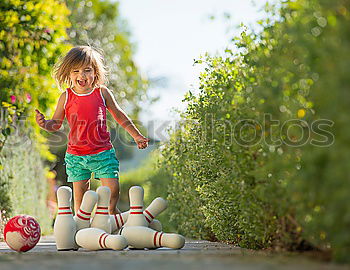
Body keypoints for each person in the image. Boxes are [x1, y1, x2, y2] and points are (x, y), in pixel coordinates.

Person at [35, 45, 149, 215]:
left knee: (112, 191)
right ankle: (82, 229)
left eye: (87, 70)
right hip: (76, 156)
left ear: (95, 72)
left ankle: (111, 217)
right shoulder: (66, 97)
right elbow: (56, 124)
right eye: (76, 71)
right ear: (68, 74)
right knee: (80, 201)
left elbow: (119, 115)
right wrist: (45, 124)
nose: (82, 75)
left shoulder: (102, 93)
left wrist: (137, 135)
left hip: (103, 152)